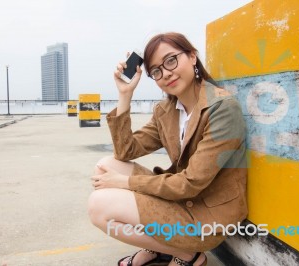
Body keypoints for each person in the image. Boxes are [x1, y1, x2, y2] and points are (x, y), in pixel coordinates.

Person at [87, 32, 248, 266]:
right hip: (180, 200)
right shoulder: (167, 111)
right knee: (106, 166)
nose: (166, 73)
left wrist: (124, 183)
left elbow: (191, 183)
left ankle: (187, 254)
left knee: (98, 207)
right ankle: (160, 248)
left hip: (206, 214)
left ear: (192, 57)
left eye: (171, 60)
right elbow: (125, 151)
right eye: (156, 71)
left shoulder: (222, 108)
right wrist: (125, 95)